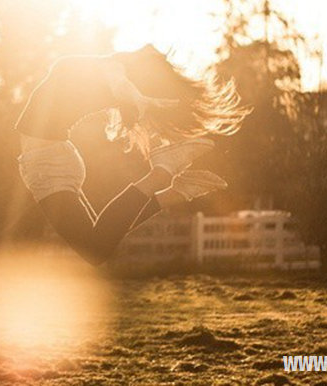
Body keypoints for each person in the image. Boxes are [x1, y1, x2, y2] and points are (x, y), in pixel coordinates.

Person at [15, 44, 249, 265]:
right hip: (54, 159)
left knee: (95, 247)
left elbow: (120, 85)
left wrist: (137, 98)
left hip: (47, 163)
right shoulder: (107, 70)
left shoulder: (113, 68)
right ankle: (175, 193)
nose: (145, 48)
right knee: (98, 241)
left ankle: (160, 176)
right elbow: (125, 80)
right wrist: (137, 94)